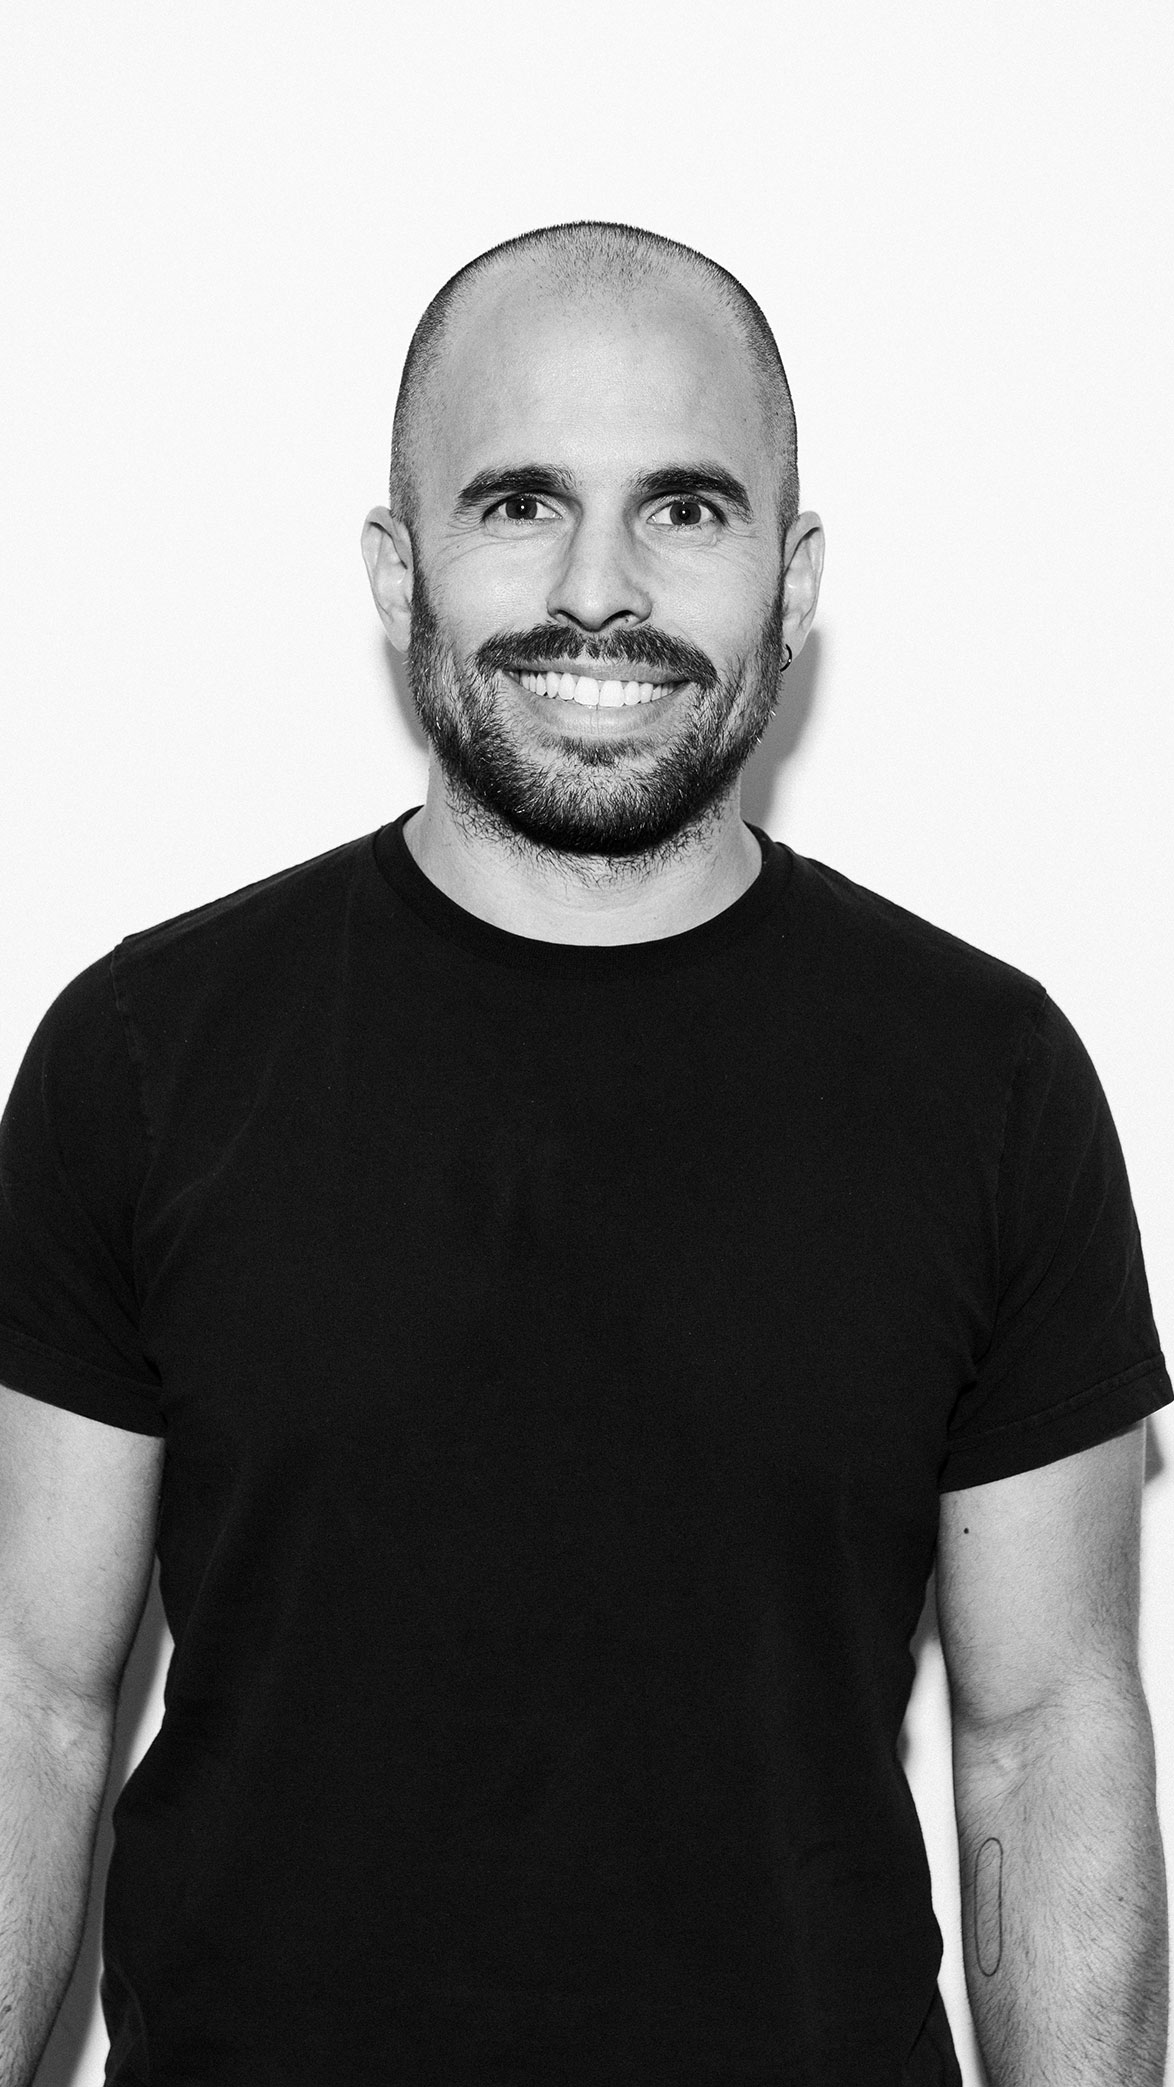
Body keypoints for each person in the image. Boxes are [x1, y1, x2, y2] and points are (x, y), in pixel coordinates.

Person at [0, 220, 1168, 2087]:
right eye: (519, 503)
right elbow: (34, 1709)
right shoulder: (143, 1057)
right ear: (397, 568)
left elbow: (1042, 1739)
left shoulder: (988, 1079)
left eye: (684, 509)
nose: (598, 591)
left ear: (792, 578)